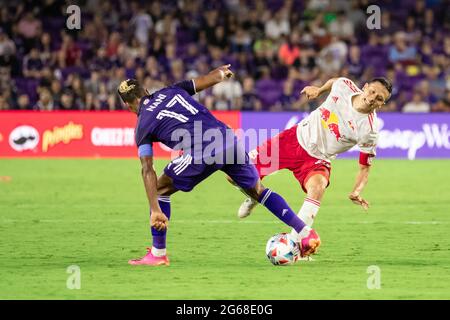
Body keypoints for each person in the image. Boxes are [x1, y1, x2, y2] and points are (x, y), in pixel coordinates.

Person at [117, 64, 320, 266]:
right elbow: (210, 78)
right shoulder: (171, 90)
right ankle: (305, 232)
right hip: (227, 138)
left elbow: (147, 169)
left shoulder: (142, 124)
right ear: (145, 91)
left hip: (204, 151)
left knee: (160, 189)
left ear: (128, 106)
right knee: (258, 190)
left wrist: (154, 209)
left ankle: (158, 254)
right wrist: (223, 72)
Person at [233, 77, 392, 251]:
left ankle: (294, 245)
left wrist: (356, 191)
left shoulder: (369, 130)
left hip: (317, 159)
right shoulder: (344, 86)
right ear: (365, 87)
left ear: (382, 104)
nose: (372, 98)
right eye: (372, 92)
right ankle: (255, 196)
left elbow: (365, 167)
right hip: (293, 140)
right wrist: (319, 90)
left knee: (317, 187)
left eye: (379, 99)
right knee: (233, 175)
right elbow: (334, 81)